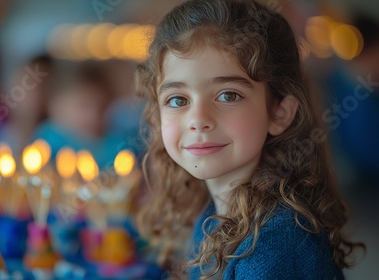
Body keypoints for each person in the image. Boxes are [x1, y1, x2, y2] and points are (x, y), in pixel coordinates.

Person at [135, 0, 363, 279]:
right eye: (178, 99)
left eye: (228, 95)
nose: (197, 119)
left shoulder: (273, 247)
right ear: (157, 115)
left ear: (279, 113)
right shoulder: (213, 215)